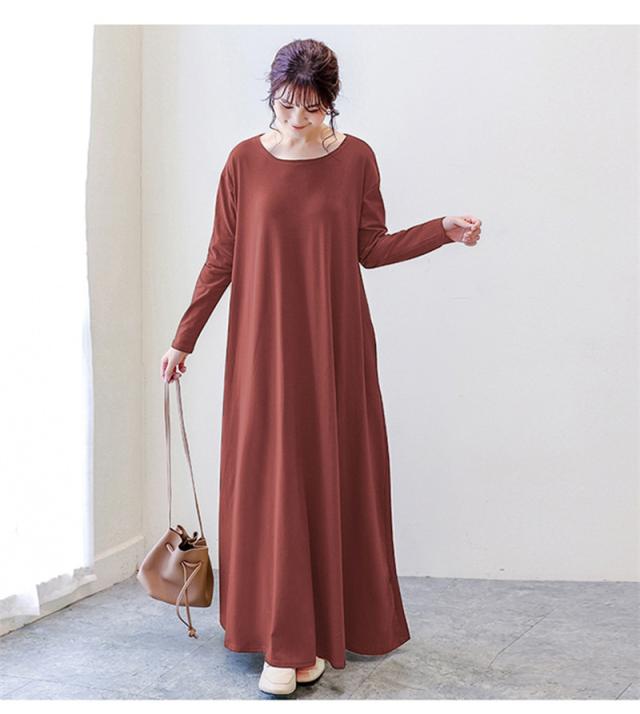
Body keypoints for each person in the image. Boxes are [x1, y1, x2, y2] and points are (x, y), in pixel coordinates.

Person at [160, 38, 481, 697]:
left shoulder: (356, 158)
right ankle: (289, 642)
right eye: (286, 105)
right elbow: (221, 258)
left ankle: (307, 641)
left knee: (327, 479)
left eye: (311, 108)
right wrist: (183, 339)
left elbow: (371, 247)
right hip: (262, 350)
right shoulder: (243, 162)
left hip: (335, 347)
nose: (298, 119)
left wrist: (441, 230)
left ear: (330, 103)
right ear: (272, 96)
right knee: (273, 484)